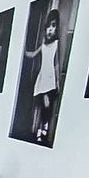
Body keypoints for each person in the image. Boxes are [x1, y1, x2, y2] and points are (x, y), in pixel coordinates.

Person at [24, 9, 61, 143]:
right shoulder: (44, 45)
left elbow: (56, 63)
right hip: (42, 77)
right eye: (49, 26)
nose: (50, 29)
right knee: (41, 106)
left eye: (54, 26)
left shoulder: (56, 44)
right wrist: (23, 51)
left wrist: (58, 82)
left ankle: (43, 130)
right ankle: (42, 129)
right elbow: (33, 54)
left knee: (46, 104)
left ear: (56, 28)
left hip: (50, 79)